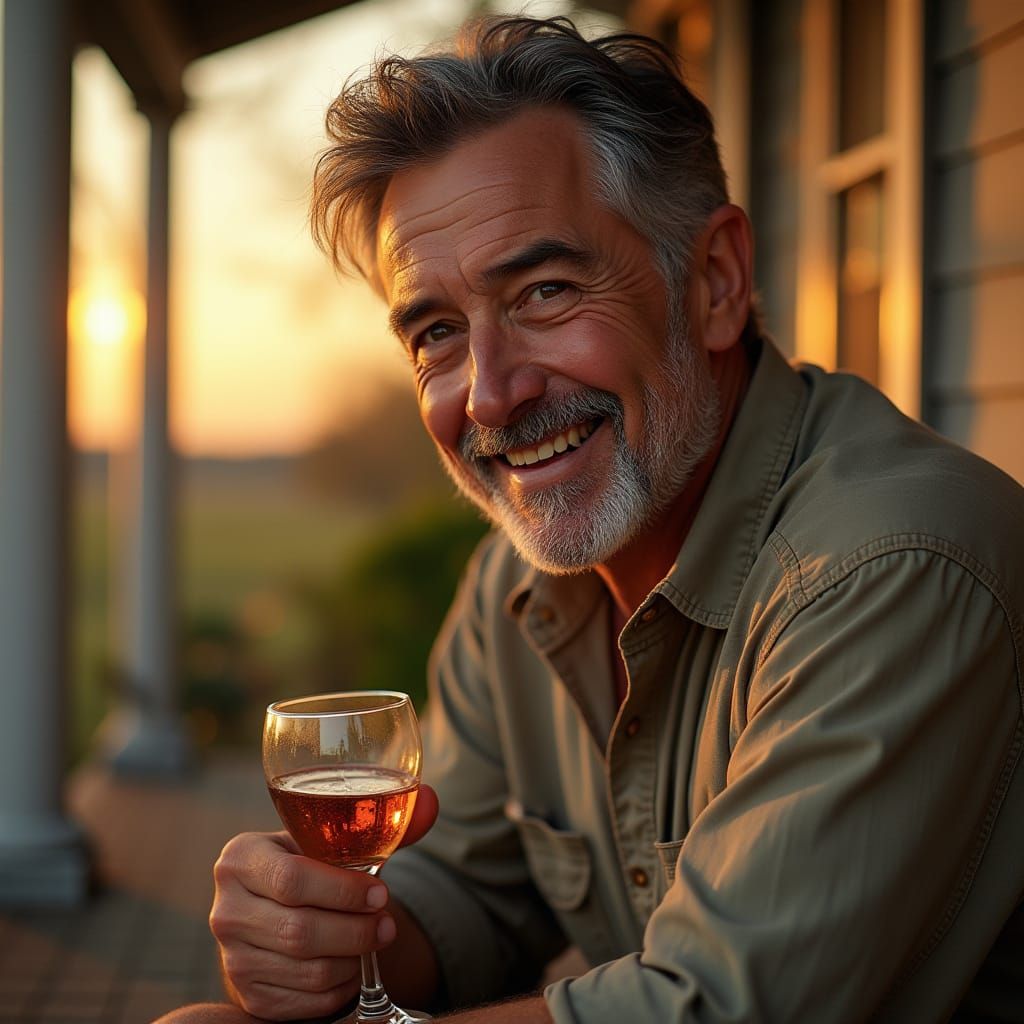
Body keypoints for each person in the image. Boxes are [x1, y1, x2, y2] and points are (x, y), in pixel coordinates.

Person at [162, 15, 1024, 1024]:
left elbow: (713, 1008)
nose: (490, 394)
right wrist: (320, 941)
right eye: (437, 332)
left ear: (714, 282)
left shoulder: (892, 561)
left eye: (544, 291)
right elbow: (469, 886)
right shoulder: (515, 585)